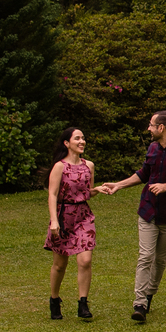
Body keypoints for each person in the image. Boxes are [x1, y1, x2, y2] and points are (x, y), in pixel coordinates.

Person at [101, 110, 166, 324]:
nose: (148, 128)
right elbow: (144, 173)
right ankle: (139, 304)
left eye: (151, 125)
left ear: (161, 128)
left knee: (160, 260)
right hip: (148, 211)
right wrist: (119, 185)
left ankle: (149, 295)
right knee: (145, 256)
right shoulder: (153, 148)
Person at [44, 127, 106, 320]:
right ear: (67, 143)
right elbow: (52, 194)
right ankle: (54, 299)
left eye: (83, 138)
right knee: (59, 265)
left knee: (85, 260)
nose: (82, 141)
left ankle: (83, 304)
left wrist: (98, 190)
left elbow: (87, 192)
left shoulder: (89, 165)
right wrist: (54, 221)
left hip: (83, 216)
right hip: (64, 217)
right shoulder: (59, 167)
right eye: (77, 138)